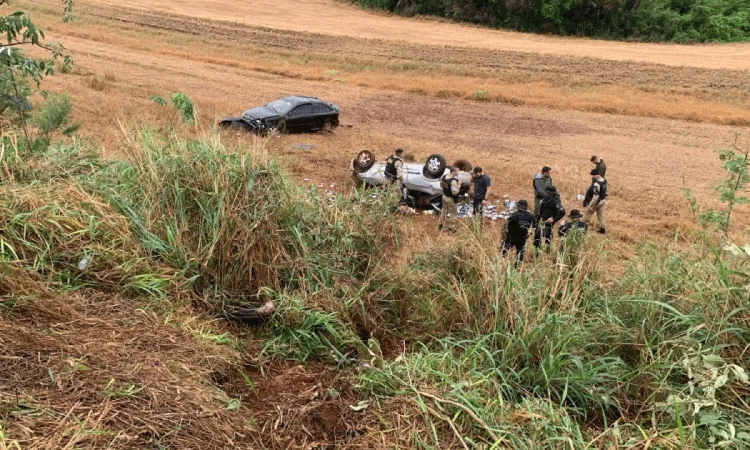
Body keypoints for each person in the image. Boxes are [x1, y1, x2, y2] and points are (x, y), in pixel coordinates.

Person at [501, 199, 536, 265]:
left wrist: (503, 236)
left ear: (517, 206)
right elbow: (534, 226)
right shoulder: (530, 216)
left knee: (504, 249)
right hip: (522, 237)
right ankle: (518, 265)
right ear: (526, 207)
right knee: (520, 252)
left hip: (511, 236)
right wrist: (529, 234)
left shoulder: (514, 215)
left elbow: (507, 226)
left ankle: (502, 262)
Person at [534, 185, 565, 250]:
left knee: (538, 236)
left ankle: (538, 252)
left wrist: (553, 219)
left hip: (547, 221)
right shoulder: (547, 198)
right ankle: (547, 250)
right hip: (542, 219)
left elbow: (562, 212)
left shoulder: (555, 200)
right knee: (547, 235)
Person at [583, 168, 607, 234]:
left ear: (596, 175)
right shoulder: (603, 180)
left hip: (596, 202)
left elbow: (595, 197)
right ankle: (602, 230)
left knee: (587, 215)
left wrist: (590, 206)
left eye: (592, 175)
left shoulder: (597, 184)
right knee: (601, 216)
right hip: (602, 200)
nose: (592, 177)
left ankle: (583, 229)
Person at [438, 166, 461, 233]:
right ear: (453, 171)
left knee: (444, 211)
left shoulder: (444, 177)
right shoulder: (453, 181)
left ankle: (440, 224)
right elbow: (455, 192)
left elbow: (441, 185)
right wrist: (459, 185)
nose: (457, 173)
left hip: (444, 196)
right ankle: (452, 228)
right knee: (453, 214)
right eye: (456, 171)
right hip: (450, 199)